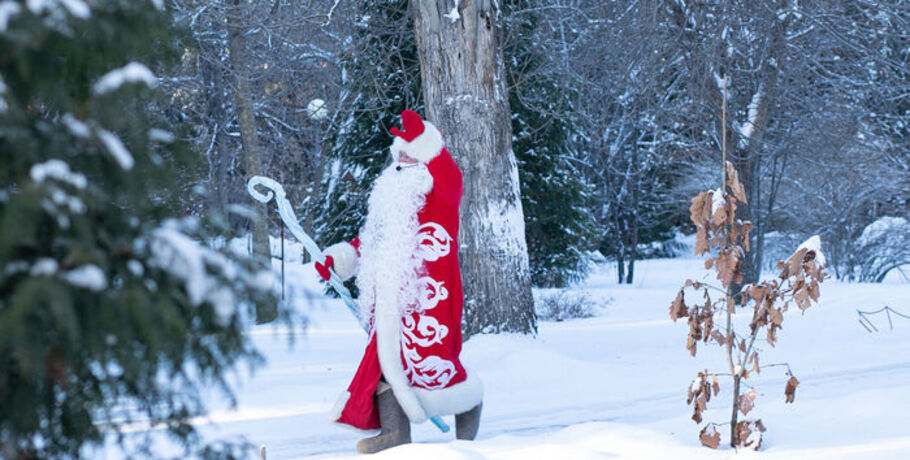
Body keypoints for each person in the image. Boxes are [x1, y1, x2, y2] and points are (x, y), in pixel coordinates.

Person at [316, 110, 483, 453]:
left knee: (434, 367)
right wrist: (339, 259)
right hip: (391, 306)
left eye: (412, 154)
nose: (403, 159)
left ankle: (467, 420)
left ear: (425, 160)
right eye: (400, 154)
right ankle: (396, 435)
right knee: (383, 368)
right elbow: (370, 244)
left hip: (430, 303)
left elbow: (450, 176)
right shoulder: (392, 206)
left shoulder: (441, 197)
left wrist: (425, 142)